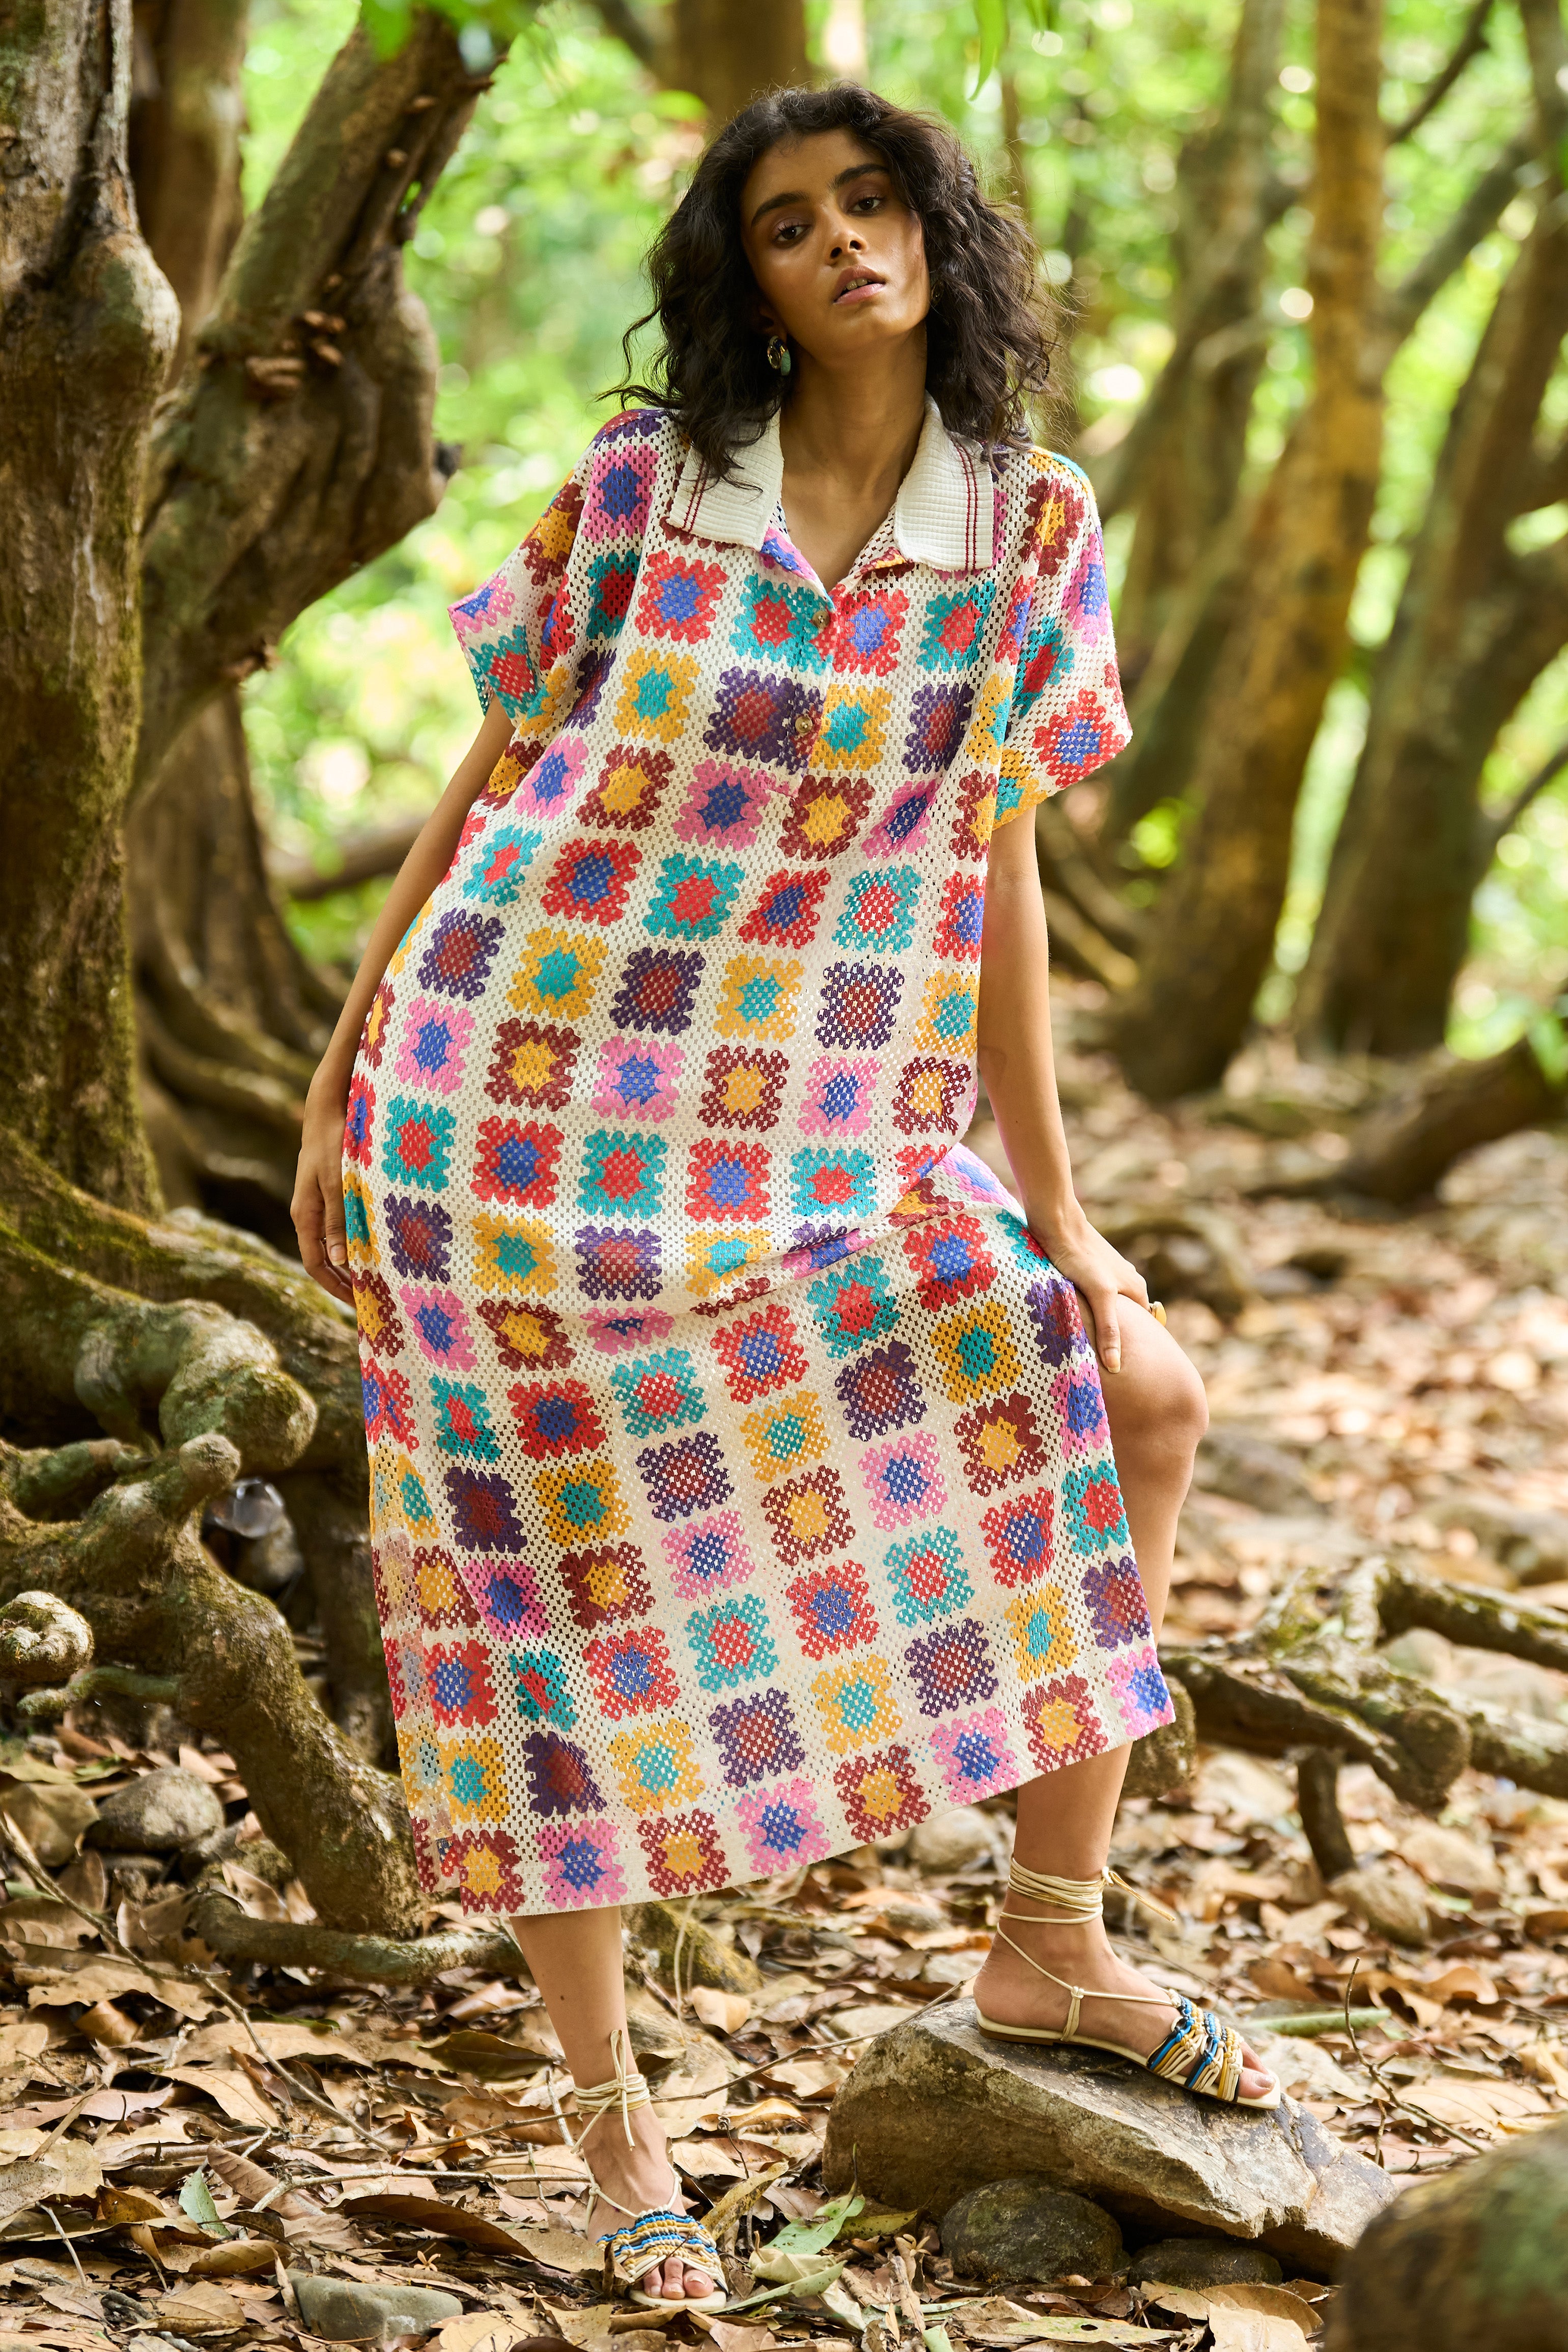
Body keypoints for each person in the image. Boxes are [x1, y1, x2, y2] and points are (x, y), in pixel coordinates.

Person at [292, 80, 1277, 2317]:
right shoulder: (647, 489)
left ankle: (1050, 1942)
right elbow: (491, 772)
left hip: (822, 1130)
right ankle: (612, 2121)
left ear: (934, 230)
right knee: (550, 1599)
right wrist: (347, 1068)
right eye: (785, 222)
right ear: (739, 279)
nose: (840, 240)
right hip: (510, 1117)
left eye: (871, 199)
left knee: (1136, 1394)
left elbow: (997, 866)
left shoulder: (1026, 524)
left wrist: (1058, 1204)